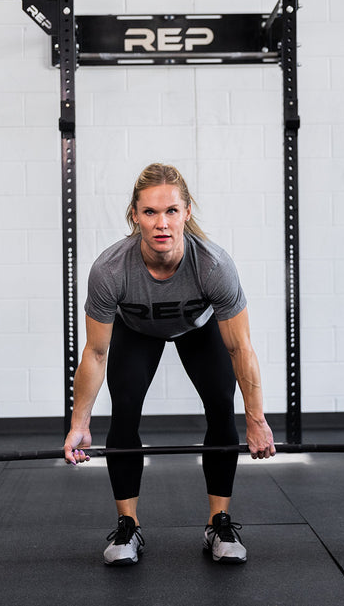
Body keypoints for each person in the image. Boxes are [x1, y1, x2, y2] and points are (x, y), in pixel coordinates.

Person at [62, 162, 276, 566]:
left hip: (198, 328)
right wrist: (79, 425)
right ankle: (128, 527)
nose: (162, 223)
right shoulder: (110, 270)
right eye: (150, 212)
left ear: (187, 212)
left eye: (172, 211)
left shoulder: (213, 265)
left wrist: (257, 419)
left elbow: (241, 348)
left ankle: (219, 522)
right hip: (136, 331)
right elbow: (95, 352)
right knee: (124, 410)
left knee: (220, 403)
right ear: (134, 216)